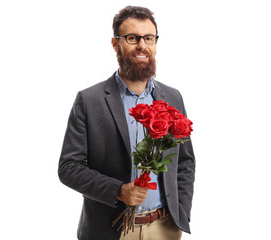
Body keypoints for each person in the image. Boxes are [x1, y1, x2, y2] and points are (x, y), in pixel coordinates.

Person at [58, 6, 195, 240]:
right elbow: (69, 168)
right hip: (110, 230)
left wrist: (181, 212)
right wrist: (119, 191)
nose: (142, 45)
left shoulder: (173, 98)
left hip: (165, 228)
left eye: (149, 38)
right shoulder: (89, 100)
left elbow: (184, 162)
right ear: (115, 44)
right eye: (132, 38)